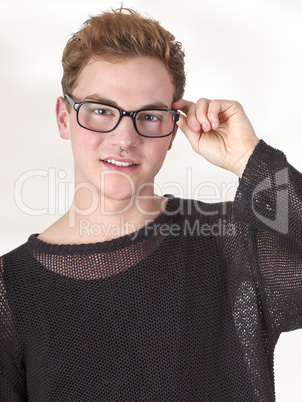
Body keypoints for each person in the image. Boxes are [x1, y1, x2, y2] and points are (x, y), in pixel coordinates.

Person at [1, 7, 301, 401]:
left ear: (173, 128)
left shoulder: (231, 243)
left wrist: (250, 158)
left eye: (149, 115)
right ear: (63, 118)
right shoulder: (9, 291)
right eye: (101, 110)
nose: (125, 137)